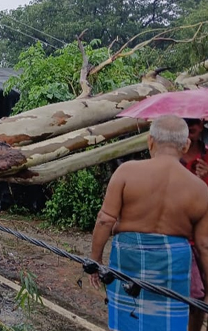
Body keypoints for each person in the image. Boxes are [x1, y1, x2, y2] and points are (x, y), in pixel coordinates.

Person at [89, 115, 208, 331]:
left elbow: (105, 220)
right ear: (186, 145)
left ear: (150, 141)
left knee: (128, 322)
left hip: (128, 260)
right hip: (173, 266)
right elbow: (204, 246)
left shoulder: (126, 172)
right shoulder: (200, 189)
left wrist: (94, 261)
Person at [181, 118, 208, 331]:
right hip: (183, 238)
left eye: (194, 122)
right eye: (185, 121)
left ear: (202, 123)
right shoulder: (171, 156)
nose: (191, 126)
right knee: (193, 297)